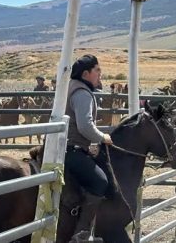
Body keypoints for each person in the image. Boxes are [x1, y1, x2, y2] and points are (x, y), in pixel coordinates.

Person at [64, 54, 113, 240]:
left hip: (66, 145)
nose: (100, 74)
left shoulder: (71, 87)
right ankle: (81, 234)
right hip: (71, 148)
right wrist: (103, 138)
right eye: (97, 70)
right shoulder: (82, 93)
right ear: (86, 73)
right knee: (100, 182)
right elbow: (85, 126)